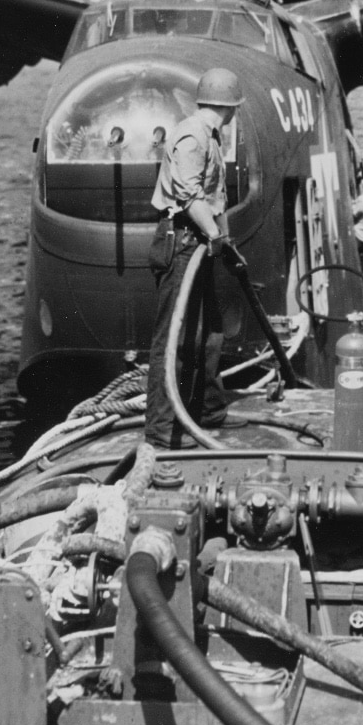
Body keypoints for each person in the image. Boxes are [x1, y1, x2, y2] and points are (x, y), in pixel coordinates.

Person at [145, 66, 243, 449]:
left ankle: (208, 411)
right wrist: (215, 234)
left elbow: (210, 194)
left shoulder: (207, 136)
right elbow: (189, 196)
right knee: (174, 338)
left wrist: (220, 237)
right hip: (184, 241)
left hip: (198, 242)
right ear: (231, 107)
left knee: (209, 333)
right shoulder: (192, 136)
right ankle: (162, 431)